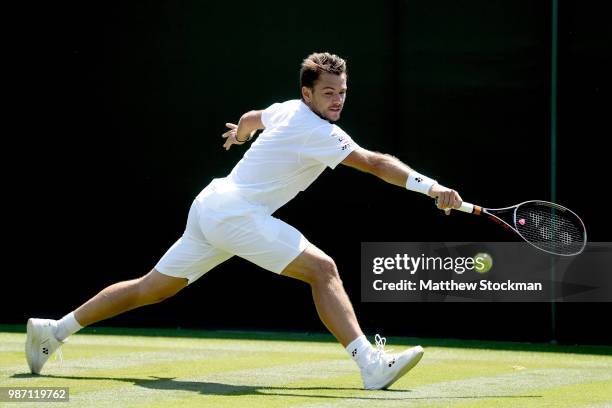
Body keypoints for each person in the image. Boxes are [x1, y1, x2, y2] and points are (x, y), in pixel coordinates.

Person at [26, 52, 462, 390]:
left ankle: (53, 330)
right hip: (233, 212)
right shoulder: (319, 131)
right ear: (308, 93)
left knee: (151, 289)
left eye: (342, 92)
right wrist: (432, 187)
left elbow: (254, 117)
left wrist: (241, 133)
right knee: (323, 269)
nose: (337, 100)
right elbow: (375, 163)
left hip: (212, 204)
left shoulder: (289, 108)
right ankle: (369, 365)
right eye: (329, 92)